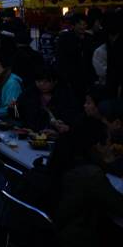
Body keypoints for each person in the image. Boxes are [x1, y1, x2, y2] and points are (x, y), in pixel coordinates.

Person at [48, 117, 123, 247]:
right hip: (76, 237)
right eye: (108, 141)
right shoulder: (91, 175)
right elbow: (119, 206)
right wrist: (108, 162)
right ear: (97, 146)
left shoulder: (63, 155)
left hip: (51, 228)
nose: (110, 146)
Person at [17, 67, 77, 133]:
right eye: (39, 81)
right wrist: (13, 108)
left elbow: (72, 119)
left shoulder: (65, 96)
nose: (42, 84)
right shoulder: (28, 94)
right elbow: (17, 115)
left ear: (55, 82)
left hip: (57, 136)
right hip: (31, 134)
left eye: (46, 81)